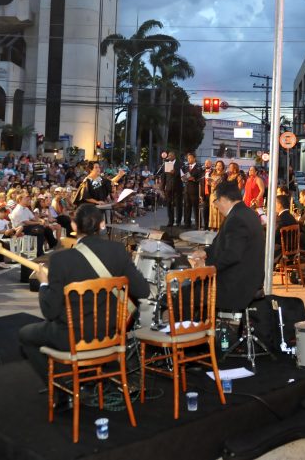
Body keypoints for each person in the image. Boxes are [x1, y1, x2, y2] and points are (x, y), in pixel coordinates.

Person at [18, 204, 150, 382]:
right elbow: (143, 290)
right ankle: (87, 378)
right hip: (112, 334)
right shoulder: (118, 251)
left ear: (73, 225)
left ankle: (62, 387)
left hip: (72, 337)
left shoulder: (60, 259)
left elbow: (50, 312)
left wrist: (43, 284)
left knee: (25, 334)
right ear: (102, 224)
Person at [189, 180, 265, 311]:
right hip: (249, 279)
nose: (215, 206)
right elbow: (226, 243)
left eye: (215, 202)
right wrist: (205, 252)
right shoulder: (247, 213)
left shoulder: (236, 219)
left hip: (236, 285)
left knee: (181, 294)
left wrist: (206, 266)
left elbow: (232, 254)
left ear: (223, 199)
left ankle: (193, 329)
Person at [159, 152, 183, 228]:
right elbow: (164, 176)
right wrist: (162, 187)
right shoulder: (166, 164)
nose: (169, 157)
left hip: (177, 187)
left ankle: (178, 221)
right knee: (169, 205)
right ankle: (170, 221)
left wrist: (175, 172)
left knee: (178, 204)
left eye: (170, 155)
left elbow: (183, 174)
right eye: (168, 156)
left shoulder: (179, 164)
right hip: (168, 188)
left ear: (174, 156)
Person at [182, 152, 204, 229]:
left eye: (190, 158)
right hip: (186, 190)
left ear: (194, 158)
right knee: (187, 207)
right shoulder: (186, 167)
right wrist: (183, 178)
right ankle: (187, 223)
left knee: (196, 208)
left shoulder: (199, 168)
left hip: (195, 190)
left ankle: (198, 224)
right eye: (188, 158)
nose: (189, 159)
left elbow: (201, 178)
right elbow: (184, 177)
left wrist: (194, 179)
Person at [208, 161, 227, 231]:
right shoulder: (212, 173)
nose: (218, 167)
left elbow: (225, 185)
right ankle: (212, 226)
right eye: (217, 165)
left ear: (222, 167)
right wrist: (210, 182)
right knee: (212, 211)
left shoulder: (224, 175)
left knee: (219, 211)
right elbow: (209, 183)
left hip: (220, 194)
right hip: (213, 194)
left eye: (220, 166)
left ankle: (219, 227)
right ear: (215, 166)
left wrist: (218, 185)